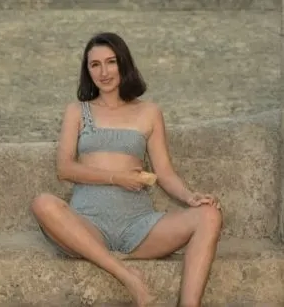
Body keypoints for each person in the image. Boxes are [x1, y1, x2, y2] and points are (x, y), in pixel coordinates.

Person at [32, 32, 222, 307]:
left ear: (124, 64)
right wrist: (117, 177)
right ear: (87, 70)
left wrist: (191, 197)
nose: (104, 72)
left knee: (210, 215)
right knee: (43, 203)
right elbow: (65, 169)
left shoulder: (149, 112)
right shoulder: (77, 110)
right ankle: (128, 277)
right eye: (94, 65)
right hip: (88, 225)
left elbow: (165, 173)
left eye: (111, 62)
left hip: (139, 226)